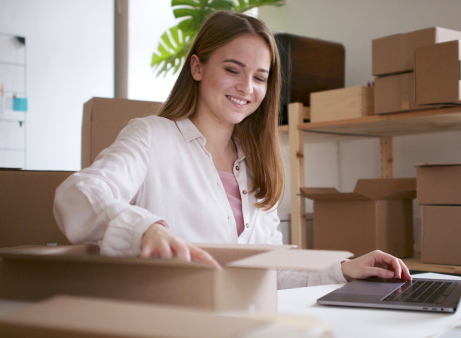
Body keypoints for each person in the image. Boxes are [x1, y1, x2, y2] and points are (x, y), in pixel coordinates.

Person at [53, 10, 411, 289]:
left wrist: (343, 270)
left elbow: (270, 272)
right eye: (232, 70)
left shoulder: (255, 164)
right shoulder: (151, 135)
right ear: (197, 66)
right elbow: (77, 195)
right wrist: (147, 229)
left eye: (259, 77)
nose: (246, 87)